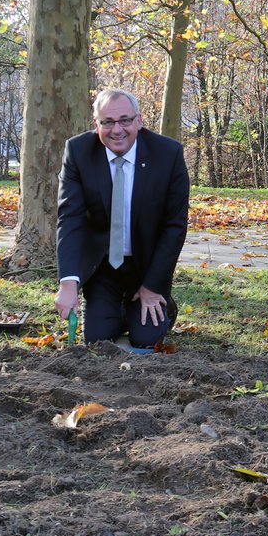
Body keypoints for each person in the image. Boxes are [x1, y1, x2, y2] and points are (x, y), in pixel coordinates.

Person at [54, 89, 190, 348]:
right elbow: (69, 219)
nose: (117, 130)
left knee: (145, 339)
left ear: (139, 121)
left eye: (125, 120)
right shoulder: (78, 152)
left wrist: (153, 286)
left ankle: (163, 307)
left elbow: (175, 226)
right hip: (103, 267)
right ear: (96, 125)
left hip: (146, 267)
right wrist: (69, 282)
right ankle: (115, 311)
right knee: (97, 339)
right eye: (108, 122)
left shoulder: (168, 154)